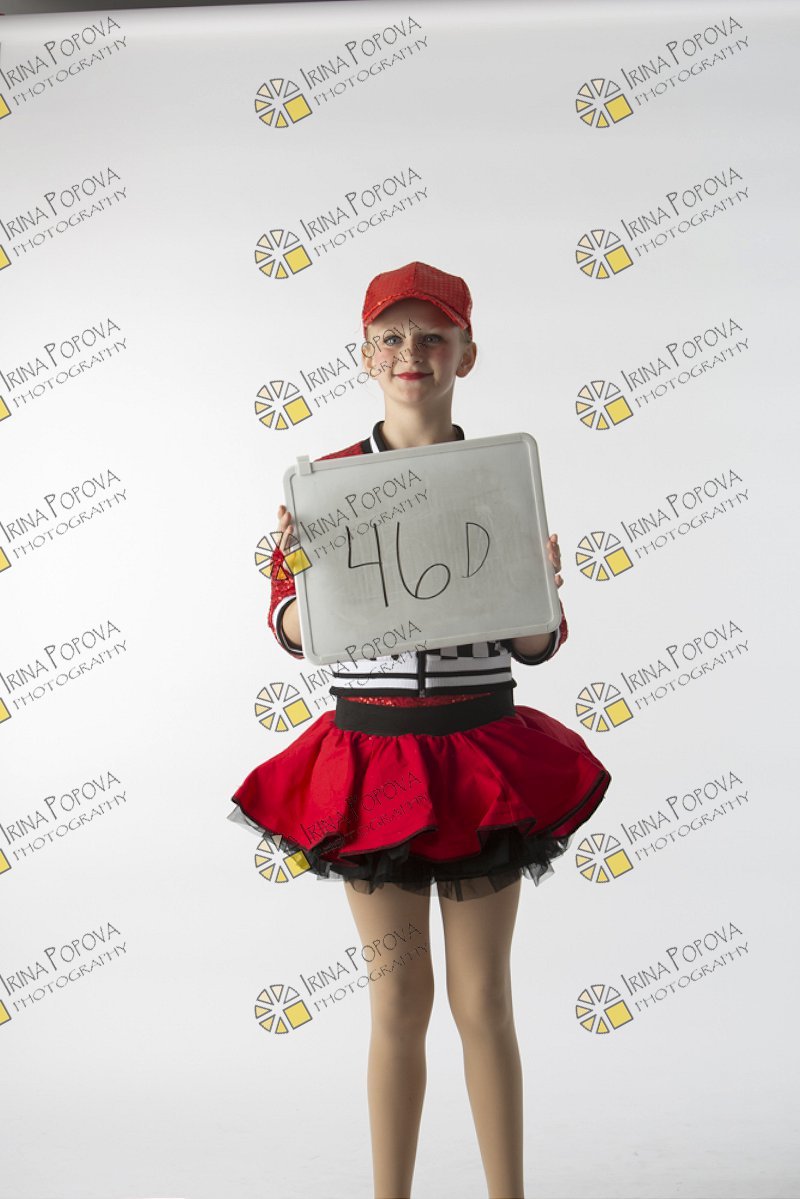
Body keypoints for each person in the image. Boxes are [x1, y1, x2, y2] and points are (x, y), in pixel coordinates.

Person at [228, 261, 612, 1199]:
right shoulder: (323, 487)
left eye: (434, 336)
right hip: (373, 759)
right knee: (399, 996)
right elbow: (293, 632)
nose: (413, 353)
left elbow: (535, 643)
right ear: (365, 355)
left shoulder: (501, 478)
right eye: (392, 338)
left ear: (466, 355)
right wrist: (294, 579)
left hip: (480, 754)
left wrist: (542, 589)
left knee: (483, 998)